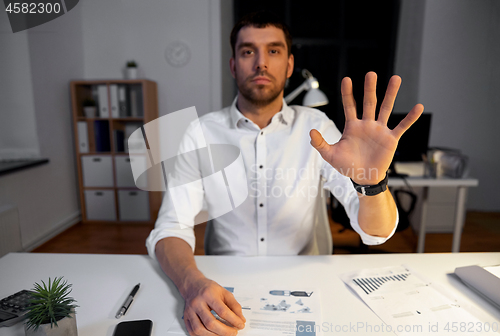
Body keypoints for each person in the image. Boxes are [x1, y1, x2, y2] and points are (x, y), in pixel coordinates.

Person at [146, 11, 423, 336]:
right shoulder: (201, 133)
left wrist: (372, 184)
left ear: (290, 65)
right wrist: (192, 284)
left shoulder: (317, 128)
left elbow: (375, 233)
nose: (261, 63)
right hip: (222, 288)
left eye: (274, 51)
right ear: (233, 65)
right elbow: (169, 228)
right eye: (248, 51)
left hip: (308, 286)